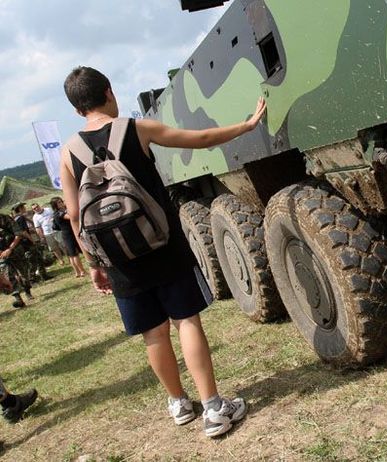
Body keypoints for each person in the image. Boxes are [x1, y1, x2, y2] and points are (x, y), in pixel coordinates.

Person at [60, 66, 266, 438]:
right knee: (186, 320)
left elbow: (74, 214)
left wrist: (94, 264)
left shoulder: (68, 152)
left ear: (76, 109)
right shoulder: (135, 129)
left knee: (154, 335)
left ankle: (179, 404)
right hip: (162, 244)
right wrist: (246, 126)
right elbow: (199, 138)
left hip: (119, 260)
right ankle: (214, 408)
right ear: (109, 91)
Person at [11, 203, 51, 282]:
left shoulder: (15, 219)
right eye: (23, 207)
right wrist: (32, 240)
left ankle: (42, 275)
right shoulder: (21, 218)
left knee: (36, 258)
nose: (25, 208)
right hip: (27, 243)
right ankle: (33, 278)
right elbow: (23, 231)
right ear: (20, 209)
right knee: (34, 260)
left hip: (22, 244)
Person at [0, 214, 33, 308]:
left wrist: (10, 249)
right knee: (8, 276)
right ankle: (19, 300)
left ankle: (27, 291)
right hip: (2, 254)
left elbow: (18, 234)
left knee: (24, 275)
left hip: (16, 250)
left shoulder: (5, 218)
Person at [50, 197, 86, 278]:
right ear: (55, 205)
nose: (61, 203)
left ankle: (77, 272)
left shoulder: (58, 213)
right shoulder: (59, 213)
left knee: (71, 255)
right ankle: (82, 271)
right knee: (73, 254)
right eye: (59, 202)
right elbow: (71, 217)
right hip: (69, 234)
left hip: (66, 234)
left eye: (61, 201)